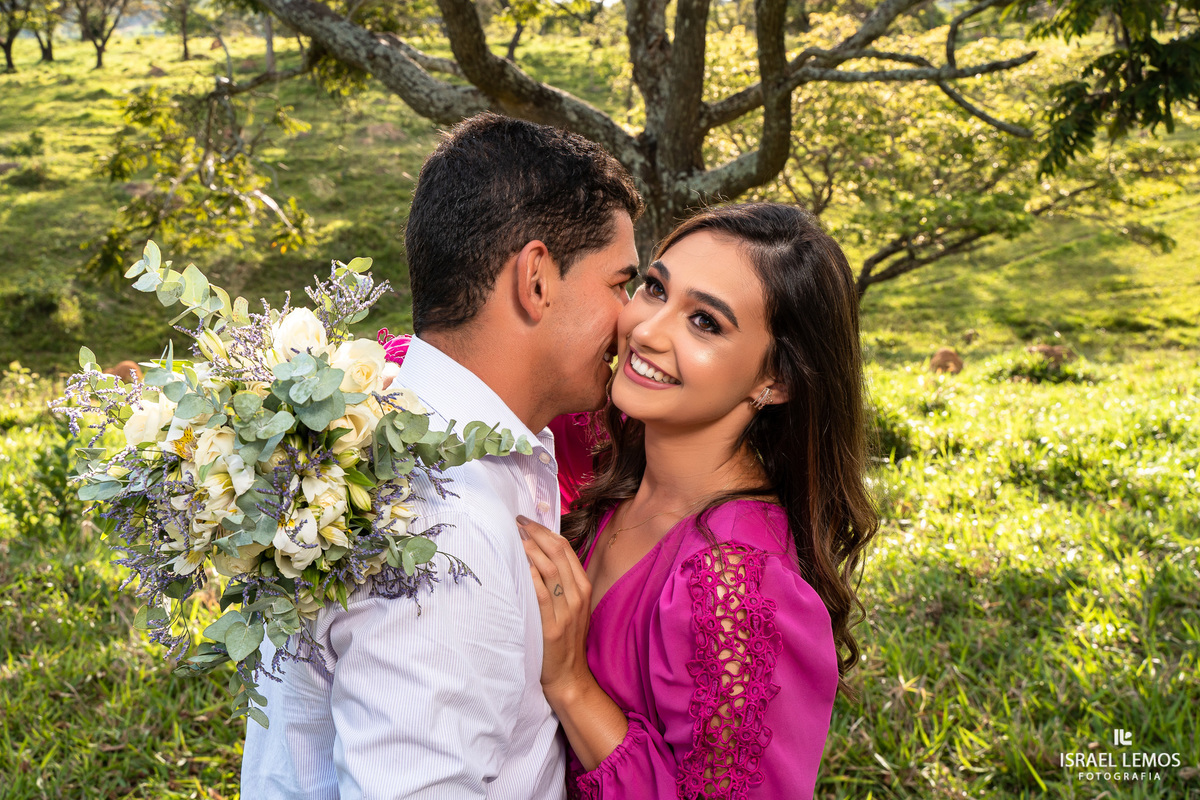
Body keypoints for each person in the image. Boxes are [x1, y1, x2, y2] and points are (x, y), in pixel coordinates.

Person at [241, 112, 643, 799]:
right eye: (620, 284)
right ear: (538, 279)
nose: (635, 318)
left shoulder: (378, 437)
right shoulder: (442, 517)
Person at [519, 203, 879, 799]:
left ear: (777, 380)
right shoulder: (612, 462)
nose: (648, 330)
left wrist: (572, 684)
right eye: (654, 288)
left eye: (705, 322)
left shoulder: (736, 580)